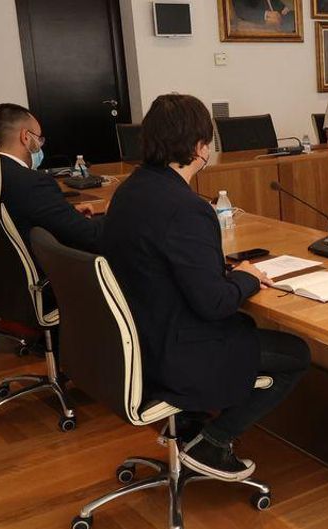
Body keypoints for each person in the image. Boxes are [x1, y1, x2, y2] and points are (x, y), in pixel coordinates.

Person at [101, 93, 310, 481]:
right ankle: (213, 441)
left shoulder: (130, 190)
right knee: (296, 353)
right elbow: (214, 304)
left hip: (137, 339)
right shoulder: (186, 208)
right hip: (178, 351)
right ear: (200, 147)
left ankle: (193, 425)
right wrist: (245, 277)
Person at [0, 104, 103, 255]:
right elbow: (90, 236)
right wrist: (115, 213)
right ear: (26, 137)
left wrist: (65, 213)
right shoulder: (33, 182)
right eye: (39, 139)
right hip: (44, 267)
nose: (40, 145)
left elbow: (20, 214)